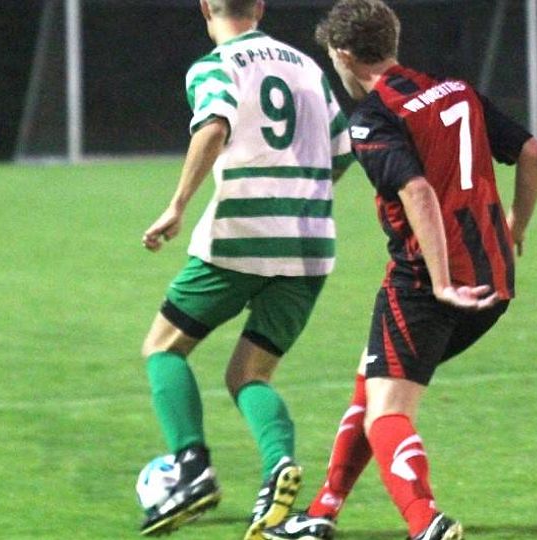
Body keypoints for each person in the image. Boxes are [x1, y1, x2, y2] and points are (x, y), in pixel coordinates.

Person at [263, 1, 537, 539]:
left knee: (386, 414)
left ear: (344, 55)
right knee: (371, 382)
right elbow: (533, 153)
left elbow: (416, 191)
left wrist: (440, 282)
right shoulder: (456, 90)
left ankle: (426, 523)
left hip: (424, 286)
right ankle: (322, 512)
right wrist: (516, 226)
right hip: (494, 283)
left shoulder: (374, 117)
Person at [137, 0, 353, 537]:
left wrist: (177, 205)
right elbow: (343, 151)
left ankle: (191, 469)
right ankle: (279, 468)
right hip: (309, 246)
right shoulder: (308, 68)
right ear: (259, 6)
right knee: (249, 375)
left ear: (205, 7)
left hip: (240, 239)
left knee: (163, 347)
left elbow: (213, 126)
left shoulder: (215, 66)